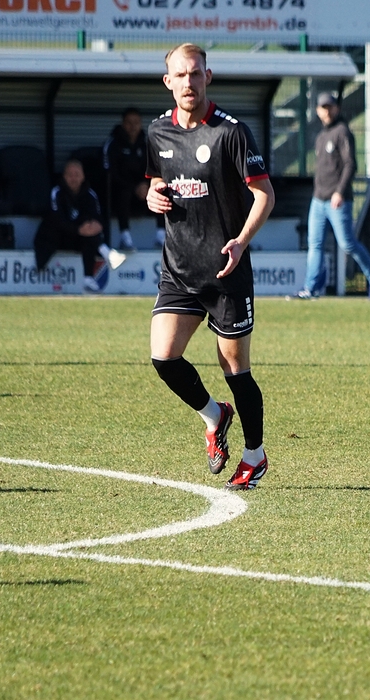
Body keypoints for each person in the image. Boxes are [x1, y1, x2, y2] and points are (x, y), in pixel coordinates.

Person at [146, 43, 276, 491]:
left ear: (208, 77)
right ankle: (214, 414)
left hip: (225, 272)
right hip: (179, 269)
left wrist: (241, 241)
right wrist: (152, 194)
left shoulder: (231, 133)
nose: (189, 82)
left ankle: (254, 456)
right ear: (168, 82)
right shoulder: (157, 132)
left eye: (196, 73)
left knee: (235, 369)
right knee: (164, 357)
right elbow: (158, 180)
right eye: (180, 75)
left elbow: (264, 195)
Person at [290, 92, 370, 301]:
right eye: (323, 108)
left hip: (337, 200)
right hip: (319, 199)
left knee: (347, 243)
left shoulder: (342, 132)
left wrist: (340, 191)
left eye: (330, 107)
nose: (326, 111)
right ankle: (311, 288)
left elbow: (350, 164)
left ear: (336, 108)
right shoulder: (321, 136)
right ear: (318, 111)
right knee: (315, 244)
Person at [34, 159, 127, 293]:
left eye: (77, 175)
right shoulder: (56, 193)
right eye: (70, 175)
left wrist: (95, 226)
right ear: (64, 177)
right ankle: (107, 253)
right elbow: (56, 220)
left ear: (83, 176)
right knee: (84, 231)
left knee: (91, 232)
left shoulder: (90, 195)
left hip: (80, 239)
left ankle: (88, 280)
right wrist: (78, 230)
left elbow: (98, 218)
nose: (74, 178)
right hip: (57, 239)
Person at [103, 107, 166, 251]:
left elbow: (155, 168)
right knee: (123, 192)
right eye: (129, 123)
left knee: (160, 189)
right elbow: (110, 174)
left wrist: (146, 186)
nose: (133, 127)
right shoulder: (112, 145)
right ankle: (125, 237)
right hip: (120, 192)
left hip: (143, 191)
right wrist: (134, 188)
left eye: (136, 123)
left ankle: (161, 236)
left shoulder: (146, 144)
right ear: (123, 124)